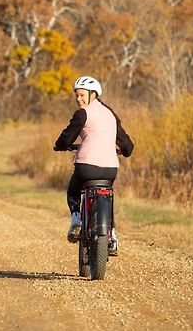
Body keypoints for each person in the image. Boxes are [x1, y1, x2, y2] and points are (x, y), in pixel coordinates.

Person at [53, 76, 133, 250]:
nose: (79, 99)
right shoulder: (111, 115)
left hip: (87, 168)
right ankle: (111, 235)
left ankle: (76, 219)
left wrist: (60, 146)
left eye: (82, 95)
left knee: (73, 192)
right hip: (110, 170)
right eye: (77, 96)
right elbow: (127, 145)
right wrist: (124, 152)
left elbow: (68, 135)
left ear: (93, 94)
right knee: (108, 196)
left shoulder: (83, 114)